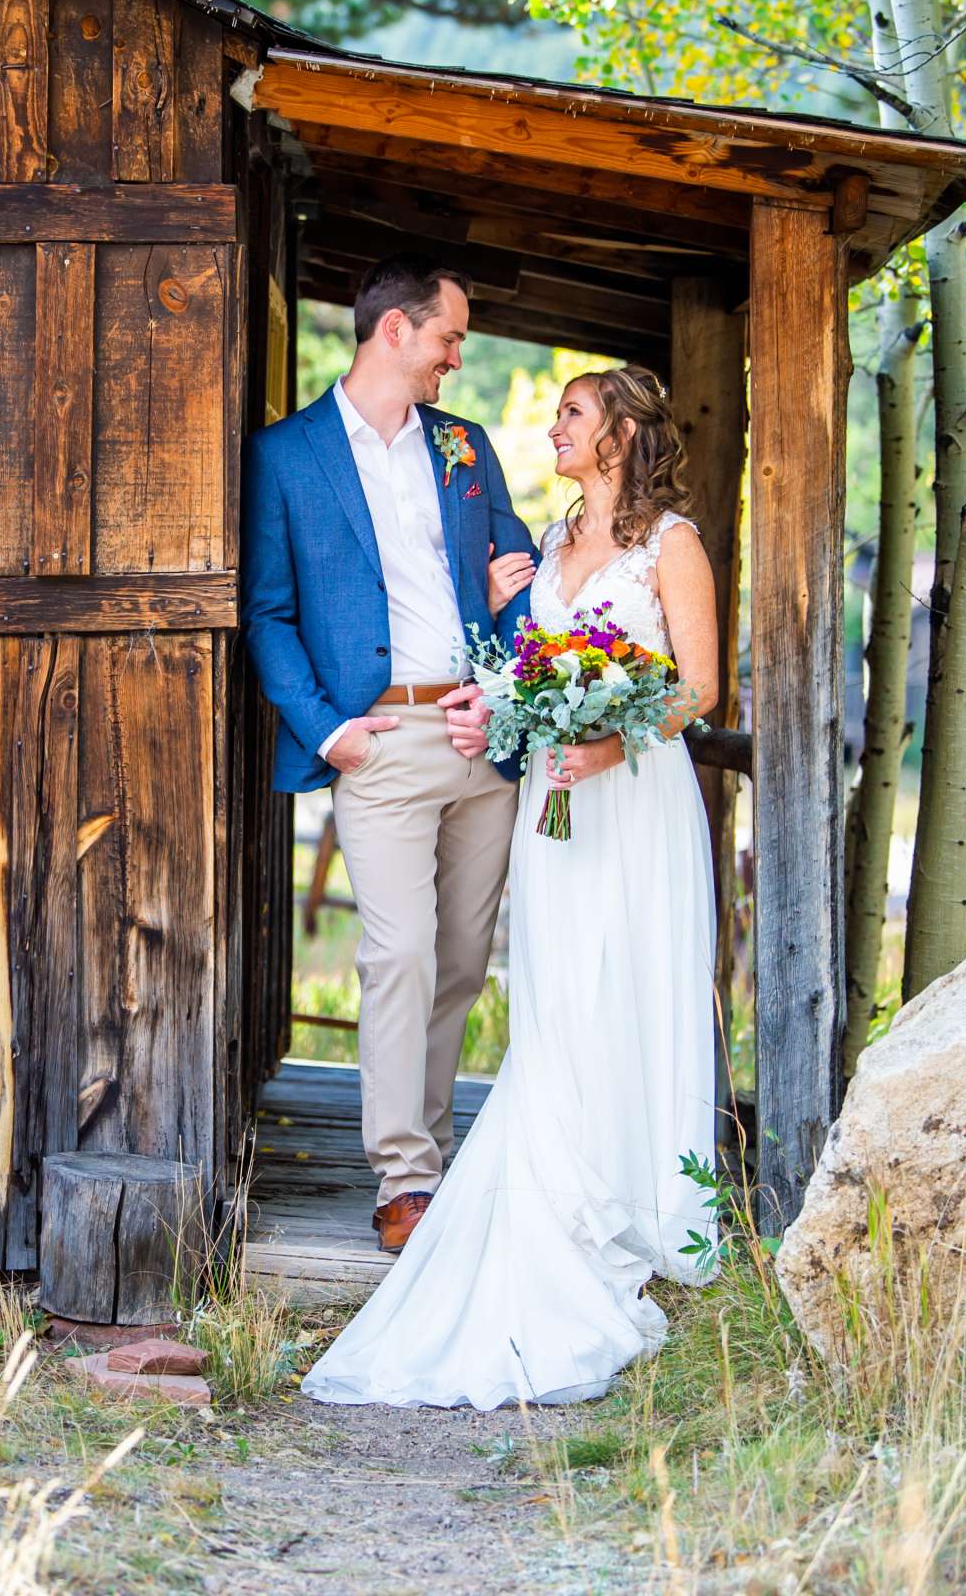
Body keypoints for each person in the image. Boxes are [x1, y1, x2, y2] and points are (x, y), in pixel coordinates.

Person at [300, 363, 722, 1410]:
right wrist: (504, 707)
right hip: (549, 796)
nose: (553, 428)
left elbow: (700, 687)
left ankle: (634, 1193)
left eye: (571, 413)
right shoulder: (549, 544)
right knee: (554, 989)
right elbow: (526, 661)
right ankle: (556, 1171)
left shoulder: (673, 545)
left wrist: (611, 747)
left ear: (620, 431)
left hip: (632, 798)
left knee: (630, 979)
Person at [240, 254, 539, 1255]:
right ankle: (403, 1179)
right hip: (379, 744)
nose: (458, 358)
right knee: (398, 953)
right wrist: (327, 728)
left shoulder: (466, 446)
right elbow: (269, 612)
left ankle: (438, 1158)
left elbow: (521, 580)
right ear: (396, 332)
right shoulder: (286, 457)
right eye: (450, 337)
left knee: (459, 961)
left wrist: (501, 682)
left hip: (479, 734)